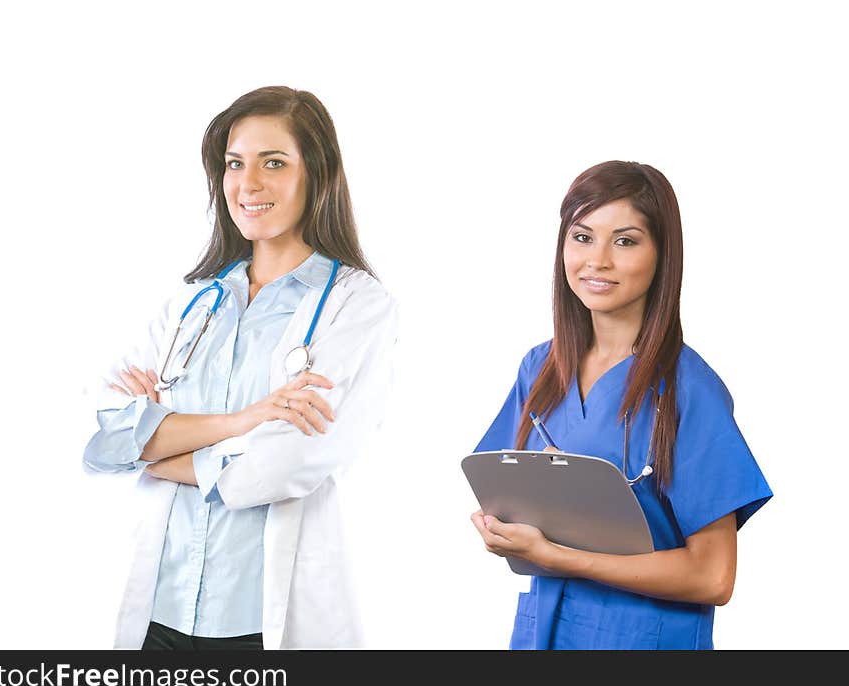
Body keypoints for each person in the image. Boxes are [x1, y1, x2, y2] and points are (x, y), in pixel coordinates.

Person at [83, 86, 398, 650]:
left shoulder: (358, 307)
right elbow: (106, 436)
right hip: (160, 613)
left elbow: (288, 460)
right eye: (234, 164)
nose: (247, 184)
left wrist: (159, 449)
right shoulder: (190, 304)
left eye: (272, 163)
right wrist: (242, 422)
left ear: (316, 175)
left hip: (259, 625)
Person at [470, 161, 771, 650]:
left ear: (662, 255)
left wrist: (560, 556)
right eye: (582, 237)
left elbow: (714, 576)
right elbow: (501, 495)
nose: (598, 260)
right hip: (543, 632)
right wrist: (498, 531)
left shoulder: (687, 390)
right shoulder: (540, 369)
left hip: (643, 640)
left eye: (625, 241)